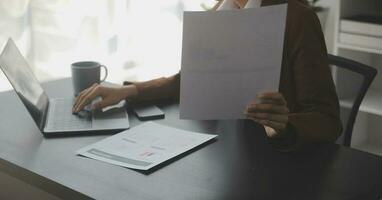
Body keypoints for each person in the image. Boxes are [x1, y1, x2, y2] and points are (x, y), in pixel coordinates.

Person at [72, 0, 342, 151]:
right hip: (222, 151)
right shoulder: (219, 11)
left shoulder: (297, 18)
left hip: (275, 162)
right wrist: (128, 91)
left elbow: (327, 119)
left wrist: (284, 125)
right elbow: (187, 79)